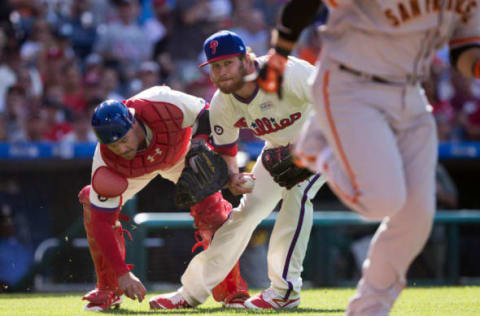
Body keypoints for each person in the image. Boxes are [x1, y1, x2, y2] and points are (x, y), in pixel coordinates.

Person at [257, 1, 480, 315]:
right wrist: (279, 55)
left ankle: (369, 309)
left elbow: (464, 52)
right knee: (381, 200)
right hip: (351, 84)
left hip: (411, 93)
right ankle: (315, 147)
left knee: (417, 216)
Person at [149, 30, 325, 310]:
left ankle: (285, 290)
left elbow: (336, 104)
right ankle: (190, 293)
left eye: (227, 63)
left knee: (298, 194)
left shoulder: (288, 73)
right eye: (215, 67)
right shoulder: (222, 103)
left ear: (246, 58)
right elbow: (227, 151)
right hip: (277, 147)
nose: (221, 72)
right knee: (245, 215)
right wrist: (234, 177)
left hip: (322, 139)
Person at [78, 86, 250, 311]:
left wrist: (199, 143)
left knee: (213, 212)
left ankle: (232, 291)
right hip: (133, 172)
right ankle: (109, 289)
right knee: (93, 205)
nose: (121, 148)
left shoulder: (161, 102)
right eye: (113, 145)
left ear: (134, 123)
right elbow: (102, 223)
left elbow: (206, 113)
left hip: (181, 154)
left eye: (124, 139)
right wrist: (123, 273)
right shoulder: (106, 161)